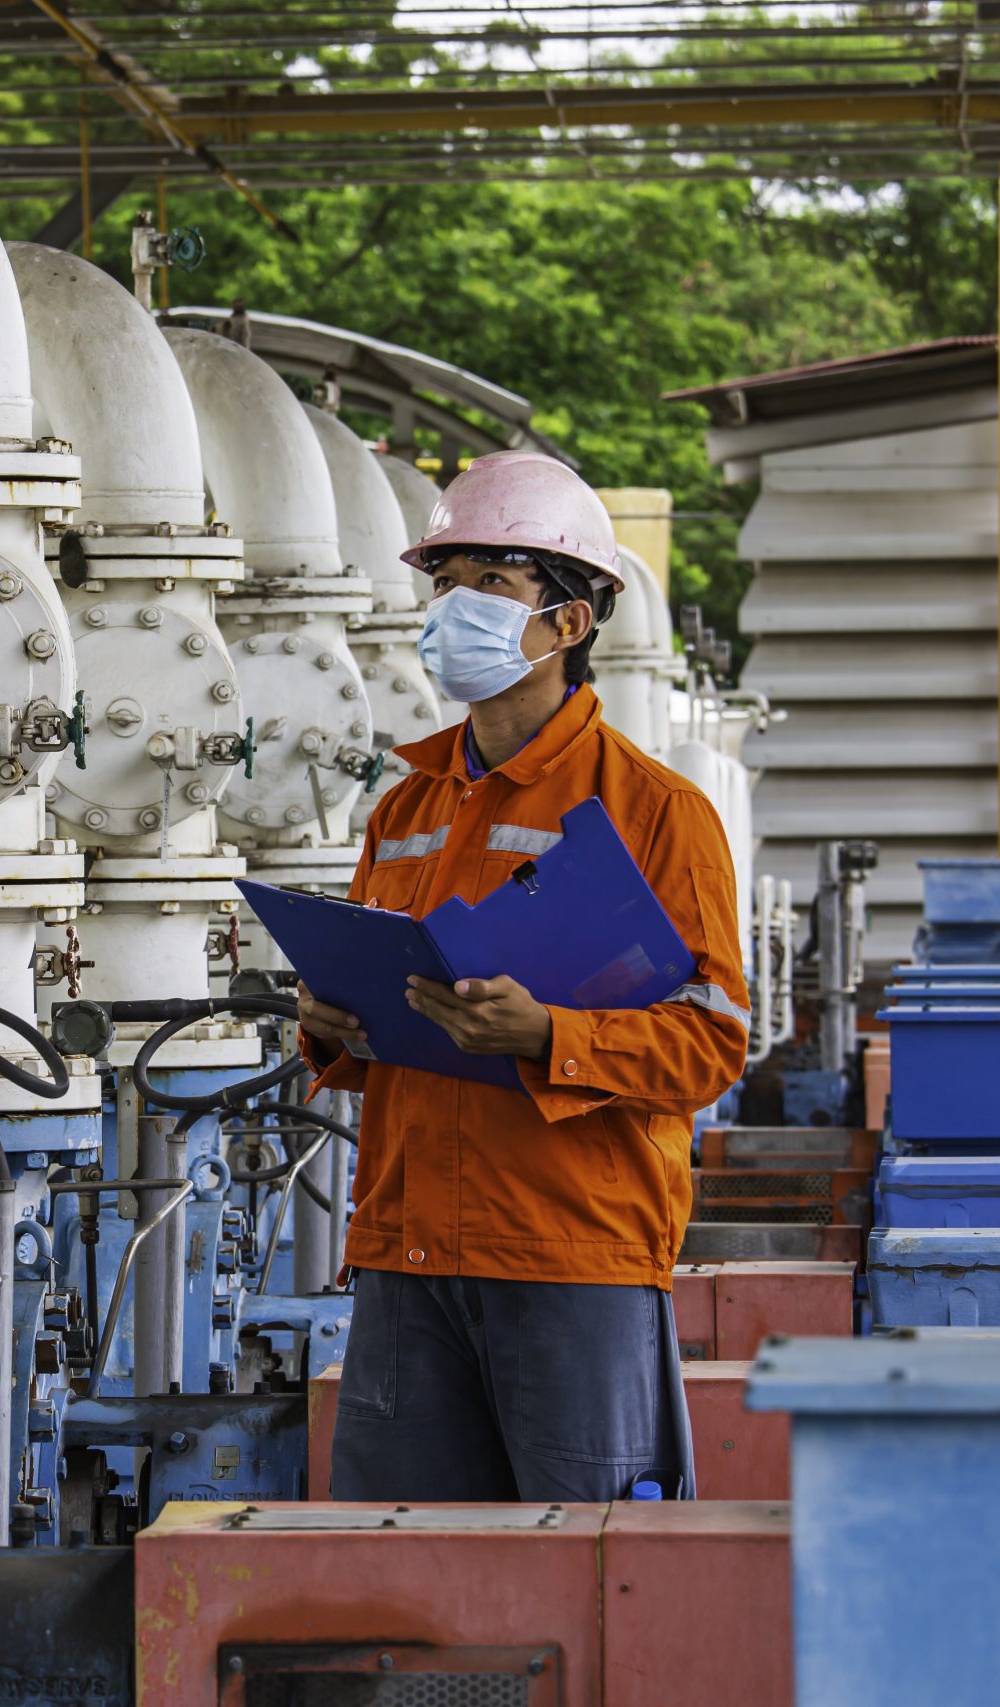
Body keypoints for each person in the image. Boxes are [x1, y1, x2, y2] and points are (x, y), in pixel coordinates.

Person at [298, 451, 749, 1503]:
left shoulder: (656, 812)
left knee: (583, 1559)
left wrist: (549, 1034)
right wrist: (329, 1021)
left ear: (568, 622)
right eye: (446, 581)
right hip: (407, 1247)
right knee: (399, 1561)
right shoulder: (404, 808)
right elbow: (381, 1015)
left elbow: (711, 1044)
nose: (454, 606)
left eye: (491, 582)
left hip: (571, 1254)